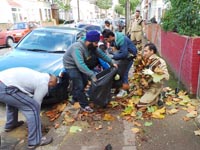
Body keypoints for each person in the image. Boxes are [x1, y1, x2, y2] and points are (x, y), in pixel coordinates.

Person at [0, 67, 57, 149]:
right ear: (51, 81)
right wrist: (37, 122)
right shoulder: (44, 84)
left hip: (4, 82)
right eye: (52, 86)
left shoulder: (39, 75)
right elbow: (36, 103)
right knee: (32, 107)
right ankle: (35, 141)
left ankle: (11, 124)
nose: (51, 87)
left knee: (13, 102)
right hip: (5, 86)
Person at [63, 30, 117, 113]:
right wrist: (92, 75)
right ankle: (84, 105)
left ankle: (74, 97)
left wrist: (111, 62)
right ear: (89, 41)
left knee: (84, 82)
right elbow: (80, 65)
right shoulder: (77, 48)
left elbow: (102, 55)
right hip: (71, 66)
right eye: (95, 43)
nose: (96, 45)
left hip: (81, 65)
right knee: (79, 84)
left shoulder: (92, 46)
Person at [102, 29, 137, 98]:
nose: (106, 41)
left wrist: (113, 56)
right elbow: (113, 48)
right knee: (119, 72)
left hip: (129, 57)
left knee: (124, 73)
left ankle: (124, 90)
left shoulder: (121, 40)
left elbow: (124, 54)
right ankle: (122, 88)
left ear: (110, 37)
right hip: (124, 57)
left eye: (106, 39)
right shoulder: (115, 39)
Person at [137, 43, 169, 107]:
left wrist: (152, 73)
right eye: (144, 51)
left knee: (140, 105)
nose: (144, 53)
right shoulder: (145, 60)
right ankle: (159, 94)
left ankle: (158, 96)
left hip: (156, 85)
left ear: (152, 51)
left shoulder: (159, 61)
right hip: (147, 85)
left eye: (146, 51)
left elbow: (166, 77)